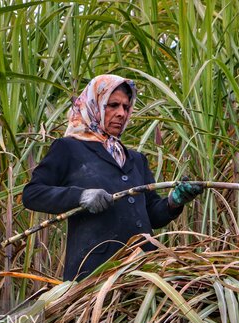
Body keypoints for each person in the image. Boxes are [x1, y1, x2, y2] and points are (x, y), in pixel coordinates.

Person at [22, 74, 202, 281]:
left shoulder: (135, 159)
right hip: (95, 274)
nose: (121, 113)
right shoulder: (69, 148)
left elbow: (152, 215)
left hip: (143, 271)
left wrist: (173, 202)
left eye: (126, 107)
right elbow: (32, 194)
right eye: (113, 105)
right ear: (95, 104)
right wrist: (81, 196)